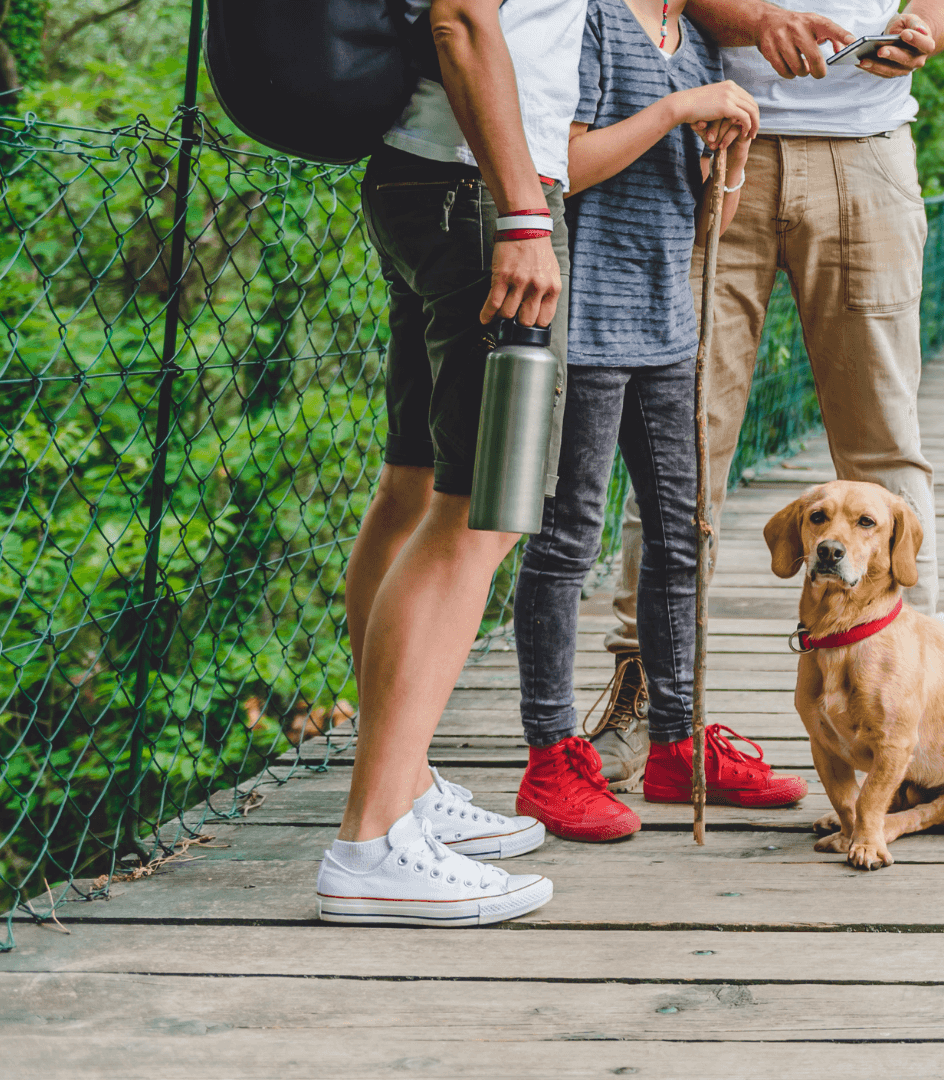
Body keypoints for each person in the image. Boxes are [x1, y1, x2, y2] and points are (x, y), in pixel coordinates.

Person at [583, 0, 944, 795]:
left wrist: (925, 30)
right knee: (681, 435)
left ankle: (915, 695)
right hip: (715, 145)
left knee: (884, 442)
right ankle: (647, 688)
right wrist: (759, 19)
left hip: (869, 152)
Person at [508, 0, 808, 841]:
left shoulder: (698, 38)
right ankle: (549, 754)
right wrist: (679, 109)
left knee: (683, 532)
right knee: (568, 537)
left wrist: (733, 162)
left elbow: (706, 221)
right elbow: (561, 161)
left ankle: (677, 744)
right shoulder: (595, 22)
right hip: (588, 320)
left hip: (667, 323)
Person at [316, 0, 587, 926]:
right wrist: (522, 213)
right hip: (480, 193)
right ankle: (374, 839)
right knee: (484, 510)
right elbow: (463, 17)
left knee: (418, 484)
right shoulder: (501, 204)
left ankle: (407, 787)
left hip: (428, 177)